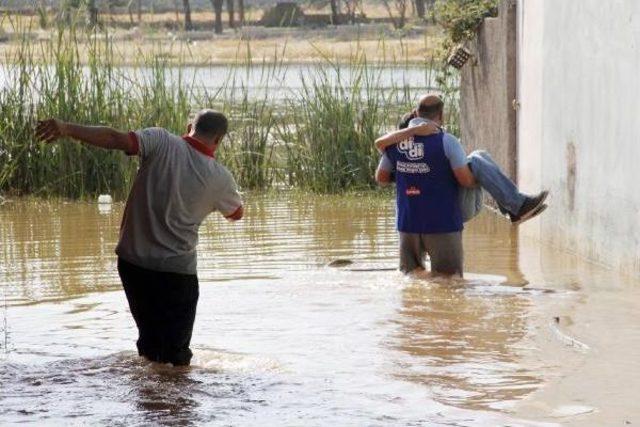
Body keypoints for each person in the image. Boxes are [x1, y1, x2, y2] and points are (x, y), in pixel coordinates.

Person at [36, 110, 243, 366]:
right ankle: (172, 402)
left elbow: (113, 139)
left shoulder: (160, 140)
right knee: (175, 357)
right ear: (219, 140)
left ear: (189, 126)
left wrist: (66, 127)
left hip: (133, 266)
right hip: (177, 273)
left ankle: (147, 399)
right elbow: (236, 213)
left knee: (149, 346)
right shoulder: (220, 177)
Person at [374, 94, 547, 276]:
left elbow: (382, 178)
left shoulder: (394, 144)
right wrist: (478, 177)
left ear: (416, 113)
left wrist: (412, 172)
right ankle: (515, 206)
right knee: (450, 283)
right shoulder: (447, 141)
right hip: (442, 224)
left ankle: (516, 206)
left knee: (411, 279)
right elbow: (465, 181)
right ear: (441, 115)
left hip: (407, 224)